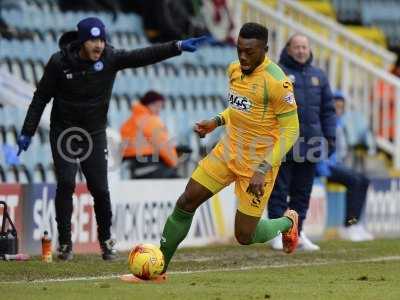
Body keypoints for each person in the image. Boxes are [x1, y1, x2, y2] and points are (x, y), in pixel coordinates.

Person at [16, 17, 212, 261]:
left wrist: (177, 46)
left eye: (101, 39)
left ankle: (106, 240)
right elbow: (40, 97)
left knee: (99, 188)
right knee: (66, 183)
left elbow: (143, 55)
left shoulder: (110, 58)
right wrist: (27, 131)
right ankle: (65, 243)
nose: (98, 45)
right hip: (64, 133)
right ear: (81, 41)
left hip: (95, 134)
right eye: (92, 40)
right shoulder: (59, 63)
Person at [147, 22, 300, 282]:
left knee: (244, 235)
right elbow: (242, 108)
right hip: (227, 152)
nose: (242, 56)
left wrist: (263, 168)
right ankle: (158, 266)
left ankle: (288, 222)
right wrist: (216, 121)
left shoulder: (277, 83)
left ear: (265, 49)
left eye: (249, 51)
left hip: (258, 165)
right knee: (187, 201)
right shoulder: (234, 70)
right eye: (239, 49)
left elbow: (291, 130)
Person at [268, 34, 336, 251]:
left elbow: (328, 111)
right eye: (297, 47)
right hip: (284, 143)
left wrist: (330, 137)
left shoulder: (319, 76)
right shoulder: (276, 73)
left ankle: (298, 232)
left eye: (304, 47)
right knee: (279, 190)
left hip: (311, 143)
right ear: (288, 49)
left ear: (309, 49)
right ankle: (276, 233)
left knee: (302, 192)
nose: (301, 50)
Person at [316, 92, 373, 242]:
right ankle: (349, 226)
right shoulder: (323, 122)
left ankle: (355, 224)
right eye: (336, 106)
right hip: (325, 166)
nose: (338, 110)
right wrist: (323, 165)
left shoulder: (339, 124)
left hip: (335, 164)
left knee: (364, 180)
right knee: (354, 181)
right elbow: (318, 148)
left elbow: (341, 151)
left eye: (341, 107)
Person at [120, 91, 179, 179]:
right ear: (148, 104)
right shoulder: (151, 120)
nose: (159, 110)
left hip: (131, 167)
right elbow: (162, 145)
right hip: (150, 166)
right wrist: (174, 162)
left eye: (161, 107)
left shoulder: (128, 122)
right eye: (156, 105)